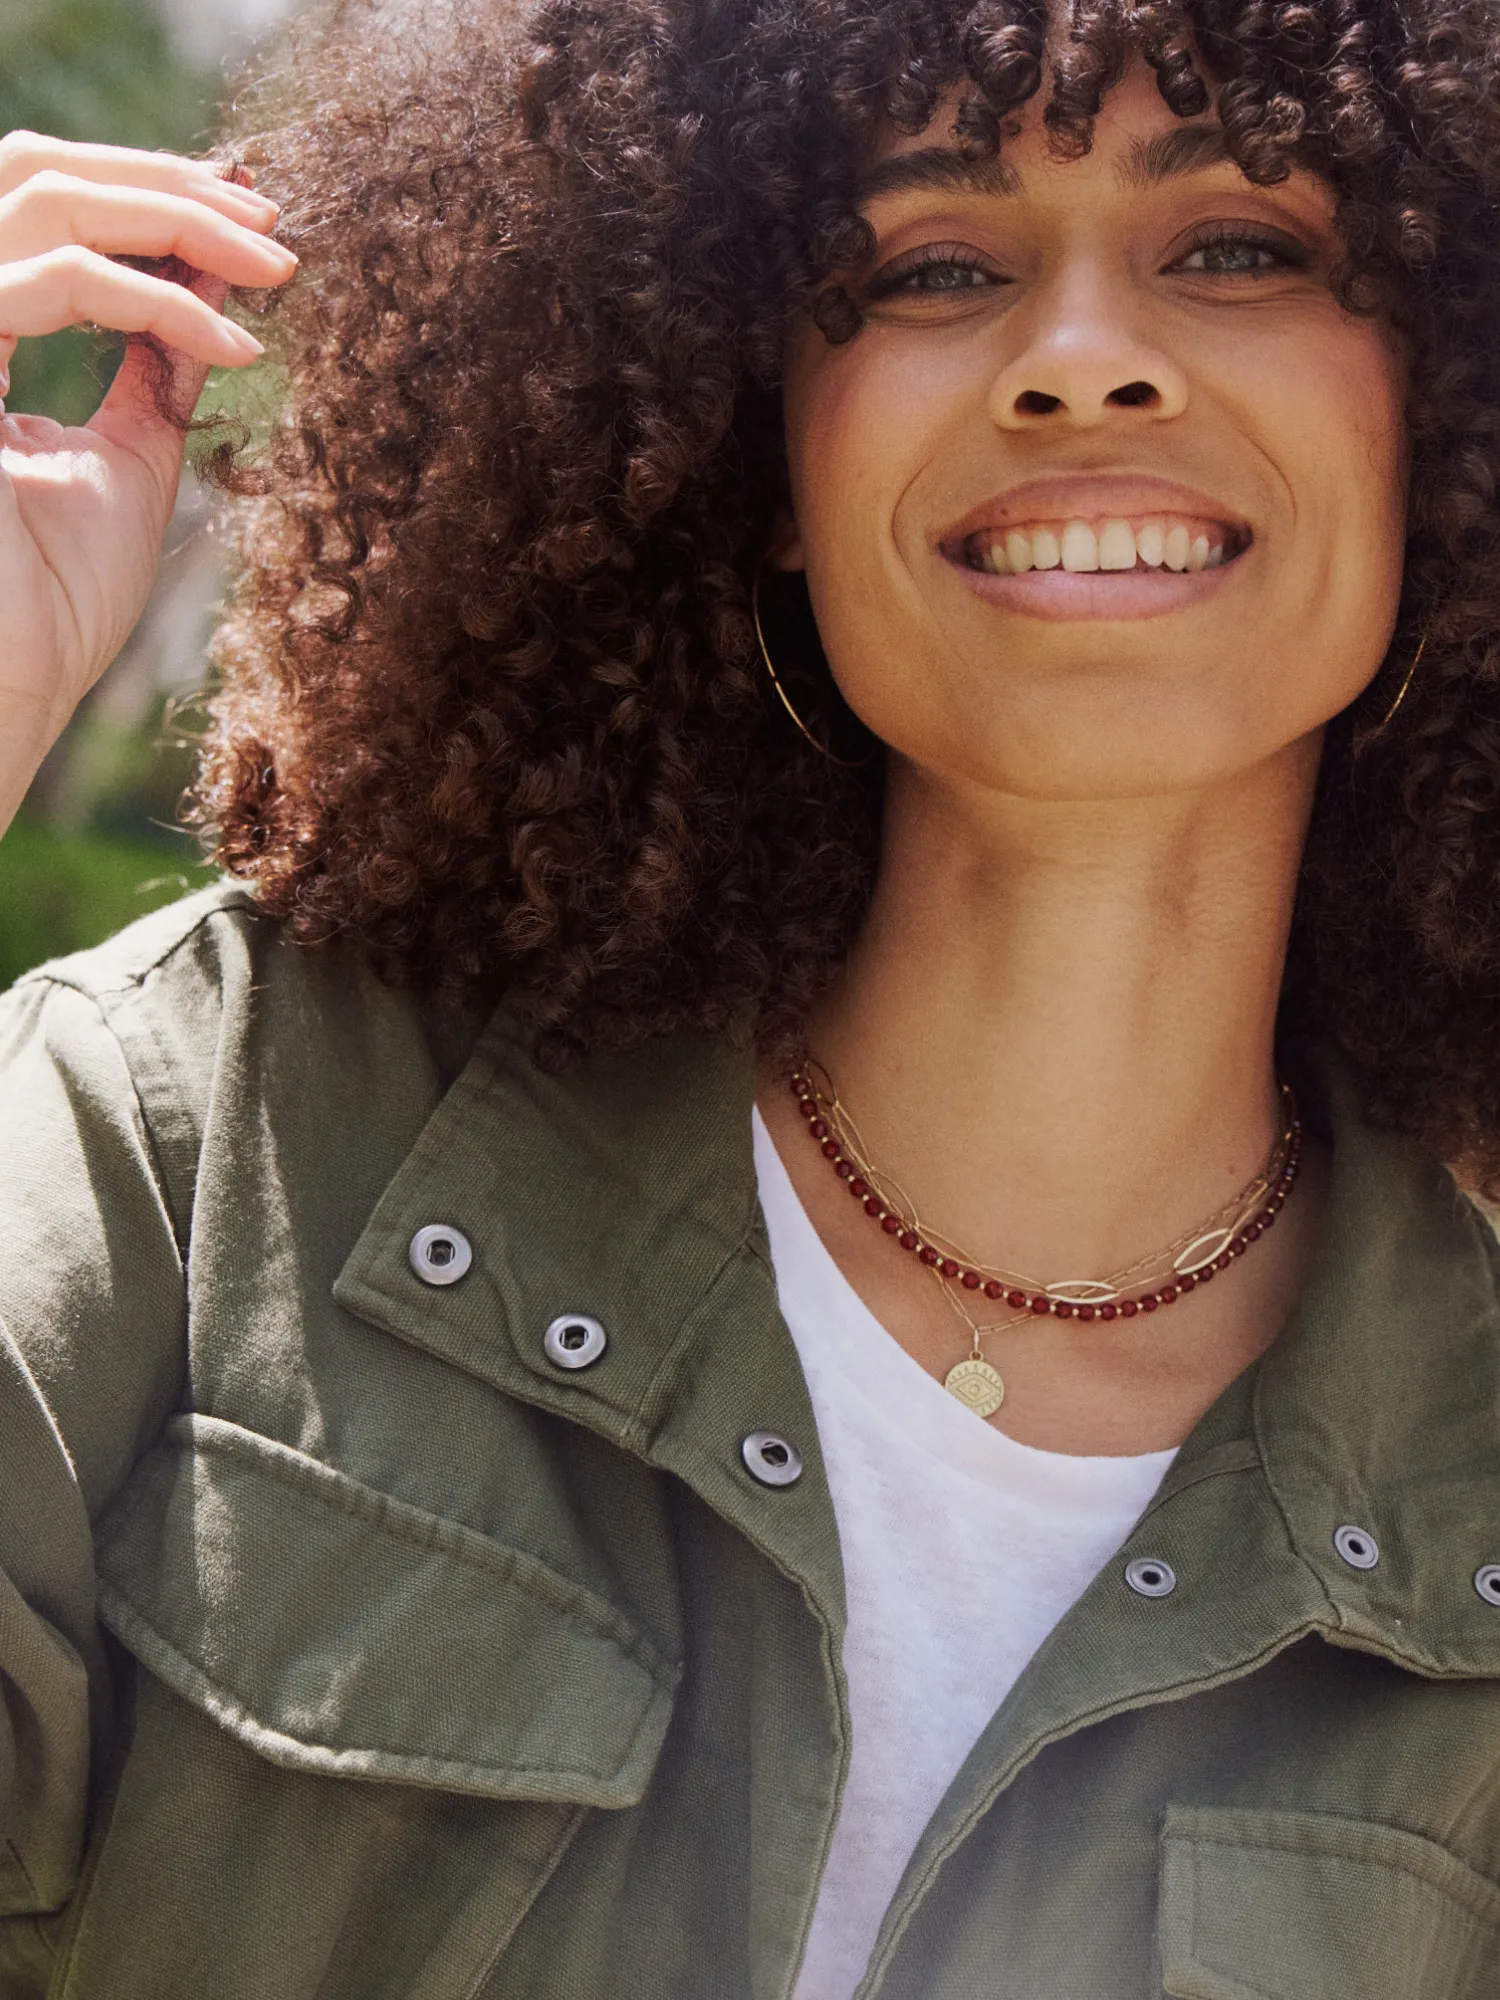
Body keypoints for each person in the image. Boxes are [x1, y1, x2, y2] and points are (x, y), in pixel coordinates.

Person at [4, 0, 1500, 1991]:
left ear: (1449, 401)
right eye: (934, 267)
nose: (1083, 363)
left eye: (1237, 246)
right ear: (756, 439)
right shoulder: (209, 1151)